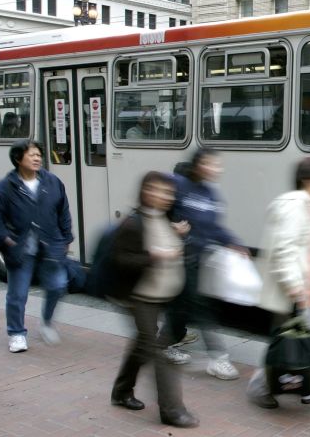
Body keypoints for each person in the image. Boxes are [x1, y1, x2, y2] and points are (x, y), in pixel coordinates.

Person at [109, 171, 198, 428]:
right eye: (157, 190)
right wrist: (154, 256)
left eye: (168, 192)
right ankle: (172, 410)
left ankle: (121, 391)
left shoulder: (162, 218)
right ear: (145, 192)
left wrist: (176, 235)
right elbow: (120, 260)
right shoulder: (133, 223)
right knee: (156, 350)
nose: (163, 196)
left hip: (160, 296)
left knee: (142, 345)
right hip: (138, 297)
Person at [249, 157, 310, 409]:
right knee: (286, 344)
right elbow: (284, 250)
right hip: (296, 293)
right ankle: (260, 387)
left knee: (305, 340)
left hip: (309, 291)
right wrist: (295, 287)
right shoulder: (295, 207)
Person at [157, 148, 245, 380]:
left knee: (180, 308)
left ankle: (160, 346)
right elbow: (154, 207)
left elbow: (214, 228)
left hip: (197, 258)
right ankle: (218, 359)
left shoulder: (211, 195)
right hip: (177, 258)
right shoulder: (177, 184)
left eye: (218, 165)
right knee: (201, 307)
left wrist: (233, 243)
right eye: (211, 164)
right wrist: (172, 226)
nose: (217, 169)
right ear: (198, 165)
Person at [0, 140, 72, 353]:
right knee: (18, 293)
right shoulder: (4, 187)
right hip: (20, 249)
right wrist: (6, 240)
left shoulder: (52, 182)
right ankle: (16, 333)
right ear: (18, 159)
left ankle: (46, 323)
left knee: (57, 286)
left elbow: (63, 210)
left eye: (39, 155)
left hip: (50, 245)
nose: (37, 158)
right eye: (31, 155)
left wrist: (67, 238)